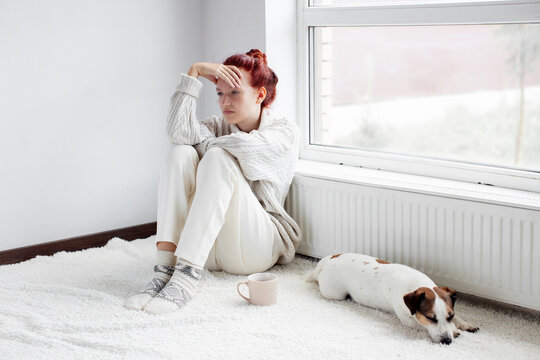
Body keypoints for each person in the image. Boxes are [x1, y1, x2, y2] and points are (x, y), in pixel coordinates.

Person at [124, 49, 302, 314]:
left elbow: (244, 147)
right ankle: (164, 270)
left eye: (234, 92)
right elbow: (178, 133)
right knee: (180, 152)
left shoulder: (283, 130)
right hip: (209, 249)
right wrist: (194, 72)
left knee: (217, 156)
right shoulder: (219, 126)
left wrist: (205, 145)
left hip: (256, 248)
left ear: (260, 95)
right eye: (220, 93)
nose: (224, 102)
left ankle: (185, 279)